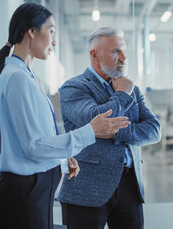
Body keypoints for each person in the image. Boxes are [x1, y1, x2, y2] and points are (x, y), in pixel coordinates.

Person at [0, 3, 131, 229]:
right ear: (32, 31)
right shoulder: (17, 78)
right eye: (52, 31)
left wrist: (60, 159)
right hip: (24, 194)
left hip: (34, 190)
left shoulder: (26, 77)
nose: (54, 41)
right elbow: (33, 147)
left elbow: (32, 141)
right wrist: (91, 131)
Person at [57, 27, 161, 229]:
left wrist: (115, 131)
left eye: (123, 51)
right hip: (87, 189)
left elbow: (154, 130)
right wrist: (122, 95)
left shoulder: (131, 87)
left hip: (130, 186)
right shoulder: (74, 87)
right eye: (115, 51)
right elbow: (96, 119)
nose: (123, 57)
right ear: (94, 54)